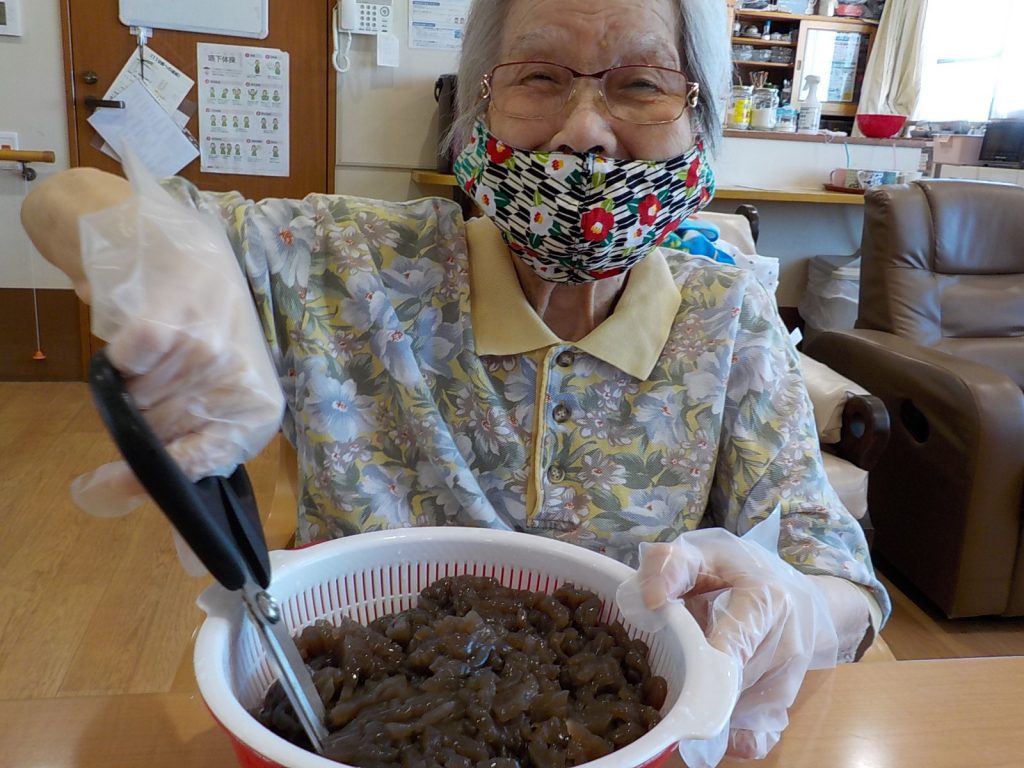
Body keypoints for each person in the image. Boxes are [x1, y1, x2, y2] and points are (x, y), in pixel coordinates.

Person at [22, 0, 888, 762]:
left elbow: (841, 579)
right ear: (477, 111)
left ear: (699, 124)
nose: (584, 130)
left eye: (641, 85)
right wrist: (175, 270)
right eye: (539, 77)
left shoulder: (726, 314)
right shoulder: (346, 261)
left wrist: (797, 613)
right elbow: (63, 198)